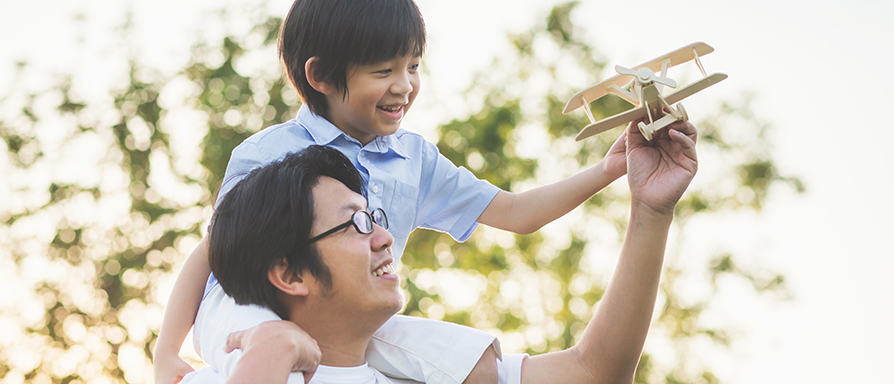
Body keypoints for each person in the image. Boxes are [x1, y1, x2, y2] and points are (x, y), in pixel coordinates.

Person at [153, 0, 630, 382]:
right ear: (319, 76)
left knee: (461, 357)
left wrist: (610, 169)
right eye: (383, 72)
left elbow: (514, 211)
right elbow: (214, 250)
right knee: (266, 350)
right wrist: (166, 350)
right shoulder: (271, 152)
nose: (404, 86)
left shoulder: (414, 160)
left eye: (414, 66)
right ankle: (270, 350)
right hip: (245, 307)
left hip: (348, 317)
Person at [188, 117, 698, 384]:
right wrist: (270, 352)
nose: (385, 237)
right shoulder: (231, 375)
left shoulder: (429, 374)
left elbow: (594, 374)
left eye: (376, 218)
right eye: (355, 224)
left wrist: (650, 211)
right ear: (290, 275)